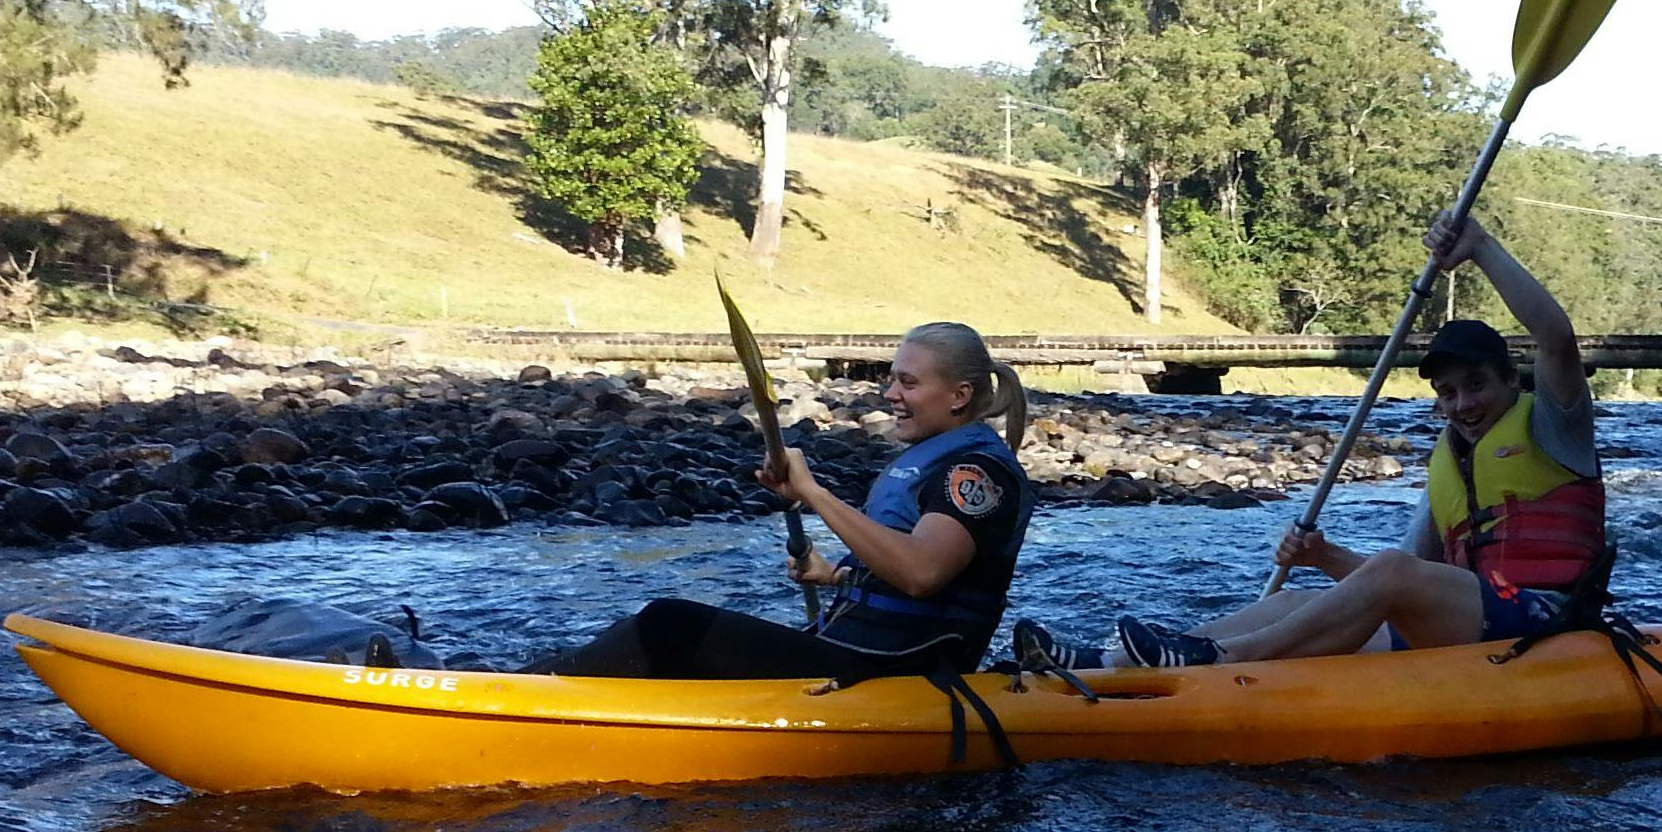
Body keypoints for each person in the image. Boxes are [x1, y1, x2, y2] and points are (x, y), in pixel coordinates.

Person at [1096, 212, 1604, 666]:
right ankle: (1113, 662)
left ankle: (1224, 659)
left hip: (1548, 617)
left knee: (1391, 568)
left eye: (1476, 385)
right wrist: (1325, 556)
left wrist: (1480, 246)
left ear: (1512, 381)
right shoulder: (1449, 467)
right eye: (1448, 393)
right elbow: (1398, 587)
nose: (1463, 404)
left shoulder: (1556, 426)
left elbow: (1556, 338)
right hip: (1471, 623)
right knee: (1291, 602)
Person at [528, 321, 1034, 679]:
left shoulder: (978, 475)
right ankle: (530, 690)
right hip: (860, 649)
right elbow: (907, 570)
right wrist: (835, 574)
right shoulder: (939, 460)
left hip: (901, 667)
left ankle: (514, 701)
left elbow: (923, 573)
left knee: (670, 624)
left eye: (909, 382)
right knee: (636, 630)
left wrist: (813, 492)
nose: (890, 394)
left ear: (959, 395)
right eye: (892, 379)